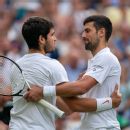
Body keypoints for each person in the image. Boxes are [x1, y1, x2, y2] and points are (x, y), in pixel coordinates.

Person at [9, 16, 121, 130]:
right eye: (52, 34)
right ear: (42, 39)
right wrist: (110, 102)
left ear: (102, 32)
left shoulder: (15, 66)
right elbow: (69, 107)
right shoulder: (54, 65)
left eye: (87, 31)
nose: (83, 35)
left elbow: (78, 93)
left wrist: (43, 91)